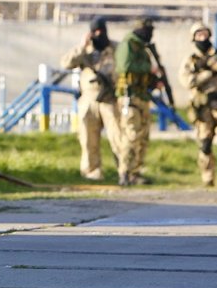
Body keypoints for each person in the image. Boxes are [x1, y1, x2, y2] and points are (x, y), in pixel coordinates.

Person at [60, 17, 123, 180]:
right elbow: (66, 63)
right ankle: (91, 171)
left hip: (110, 98)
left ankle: (125, 171)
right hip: (89, 98)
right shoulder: (84, 50)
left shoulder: (116, 48)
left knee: (118, 137)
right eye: (95, 31)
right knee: (88, 138)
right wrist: (82, 46)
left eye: (101, 31)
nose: (99, 34)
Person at [179, 22, 217, 188]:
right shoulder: (190, 60)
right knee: (205, 143)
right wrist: (206, 74)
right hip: (202, 107)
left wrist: (210, 64)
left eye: (205, 34)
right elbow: (188, 81)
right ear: (194, 38)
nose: (203, 37)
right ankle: (208, 178)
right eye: (199, 35)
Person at [114, 17, 158, 187]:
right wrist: (148, 69)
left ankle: (136, 172)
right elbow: (124, 67)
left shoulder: (142, 48)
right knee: (131, 135)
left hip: (142, 96)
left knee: (143, 137)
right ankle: (124, 172)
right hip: (129, 97)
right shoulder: (128, 45)